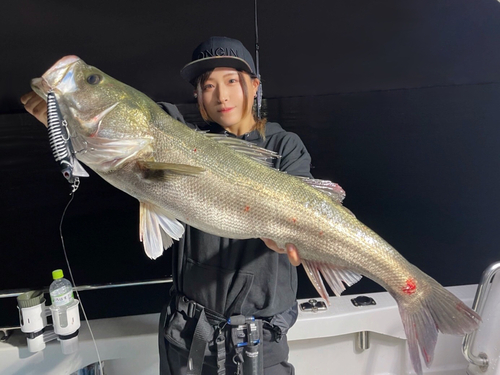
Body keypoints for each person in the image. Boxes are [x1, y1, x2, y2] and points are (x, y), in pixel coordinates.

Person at [21, 36, 311, 375]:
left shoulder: (284, 147)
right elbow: (139, 138)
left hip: (261, 341)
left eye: (232, 81)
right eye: (208, 85)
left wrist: (298, 240)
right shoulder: (181, 136)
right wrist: (66, 118)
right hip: (185, 334)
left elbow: (306, 200)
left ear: (255, 85)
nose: (221, 95)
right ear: (197, 96)